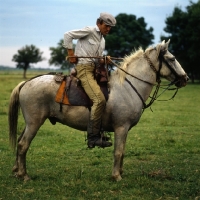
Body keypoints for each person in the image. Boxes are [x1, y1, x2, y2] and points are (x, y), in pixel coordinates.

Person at [63, 12, 116, 148]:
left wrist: (104, 59)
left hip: (95, 69)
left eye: (111, 27)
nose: (108, 29)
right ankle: (93, 137)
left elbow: (96, 58)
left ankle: (100, 129)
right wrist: (71, 53)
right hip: (84, 70)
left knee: (107, 95)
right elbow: (68, 35)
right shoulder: (89, 30)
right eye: (107, 25)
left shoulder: (103, 40)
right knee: (99, 100)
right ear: (99, 23)